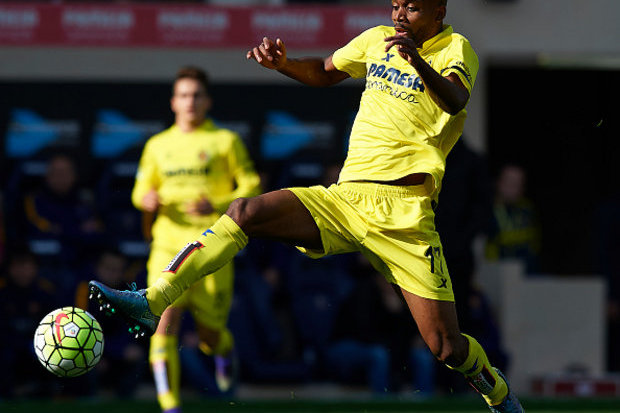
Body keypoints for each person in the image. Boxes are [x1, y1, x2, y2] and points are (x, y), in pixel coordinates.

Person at [89, 2, 523, 411]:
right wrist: (284, 64)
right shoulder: (376, 39)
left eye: (411, 7)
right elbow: (324, 70)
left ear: (438, 10)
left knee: (445, 346)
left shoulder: (456, 48)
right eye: (394, 6)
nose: (399, 15)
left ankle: (497, 392)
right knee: (246, 212)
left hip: (405, 215)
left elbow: (455, 98)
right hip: (346, 199)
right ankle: (152, 300)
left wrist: (417, 61)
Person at [122, 66, 261, 413]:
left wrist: (215, 203)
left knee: (208, 336)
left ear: (207, 101)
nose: (190, 102)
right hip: (168, 246)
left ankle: (223, 349)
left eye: (196, 95)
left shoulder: (225, 141)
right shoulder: (158, 145)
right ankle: (170, 405)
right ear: (173, 102)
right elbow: (140, 190)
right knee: (162, 324)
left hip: (212, 249)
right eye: (183, 95)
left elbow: (252, 186)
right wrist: (146, 200)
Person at [485, 163, 541, 274]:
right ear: (498, 183)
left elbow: (535, 241)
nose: (512, 189)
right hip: (499, 269)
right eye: (508, 183)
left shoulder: (527, 210)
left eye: (517, 184)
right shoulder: (489, 210)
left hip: (527, 268)